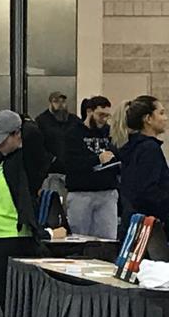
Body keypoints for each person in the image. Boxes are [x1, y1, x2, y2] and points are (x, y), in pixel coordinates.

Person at [0, 110, 67, 309]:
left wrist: (18, 121)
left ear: (18, 134)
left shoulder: (26, 161)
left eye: (3, 140)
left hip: (15, 237)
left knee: (13, 301)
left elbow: (33, 134)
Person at [64, 96, 119, 239]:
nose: (104, 119)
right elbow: (70, 163)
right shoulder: (73, 133)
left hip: (107, 191)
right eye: (101, 115)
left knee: (108, 239)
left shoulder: (109, 132)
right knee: (79, 237)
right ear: (89, 111)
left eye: (107, 116)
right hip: (81, 192)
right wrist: (97, 159)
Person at [117, 96, 169, 227]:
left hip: (133, 219)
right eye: (161, 113)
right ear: (148, 119)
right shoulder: (149, 149)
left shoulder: (133, 146)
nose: (165, 118)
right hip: (149, 222)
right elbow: (148, 190)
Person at [35, 91, 76, 195]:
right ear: (50, 103)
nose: (60, 104)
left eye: (63, 101)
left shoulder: (73, 120)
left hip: (71, 171)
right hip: (50, 172)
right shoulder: (41, 121)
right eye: (56, 101)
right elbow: (37, 145)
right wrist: (51, 159)